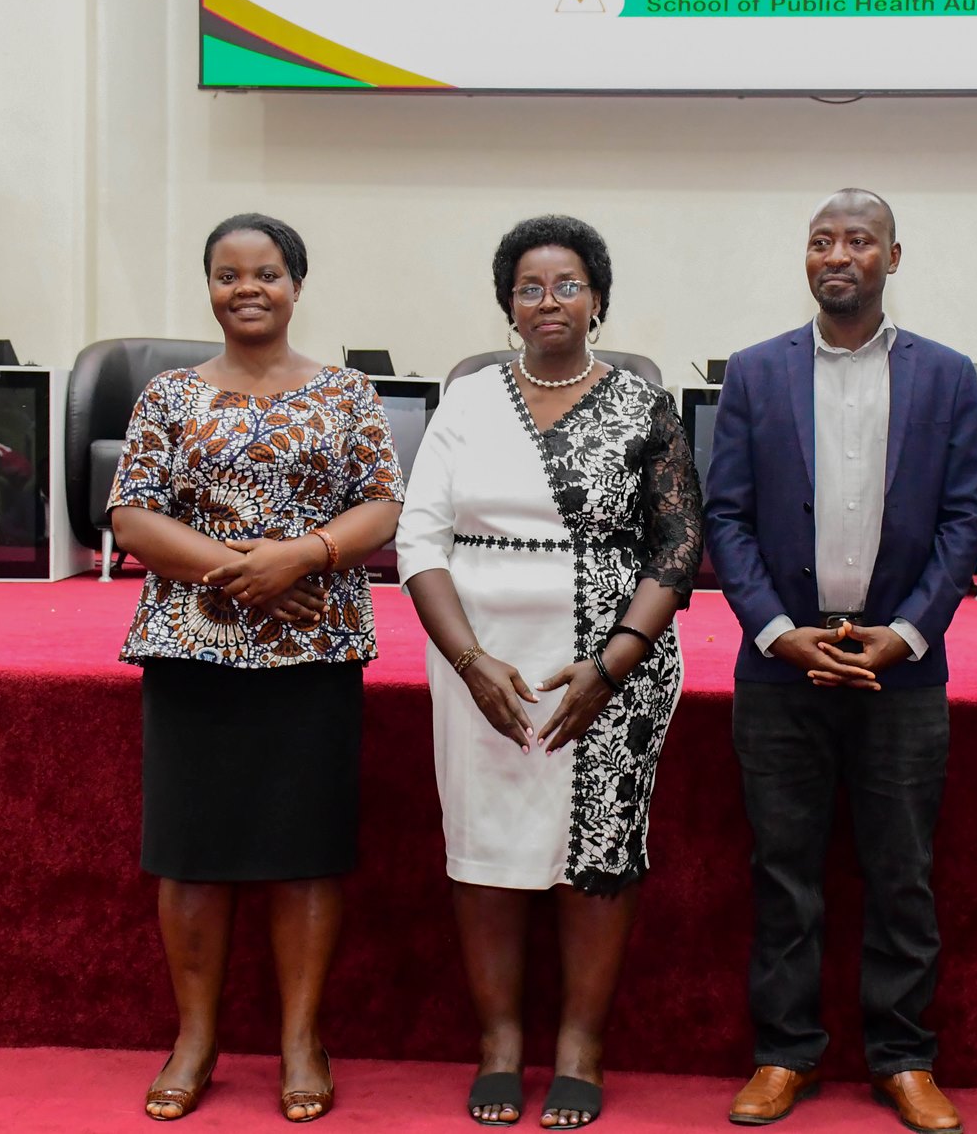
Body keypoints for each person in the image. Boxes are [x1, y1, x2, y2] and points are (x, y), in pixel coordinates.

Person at [395, 215, 702, 1129]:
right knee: (485, 847)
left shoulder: (644, 405)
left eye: (567, 284)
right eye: (530, 287)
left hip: (615, 664)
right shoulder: (469, 401)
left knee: (598, 852)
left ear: (598, 299)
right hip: (479, 663)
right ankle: (498, 1043)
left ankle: (580, 1046)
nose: (549, 301)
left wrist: (611, 666)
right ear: (508, 306)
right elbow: (420, 536)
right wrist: (471, 660)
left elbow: (680, 543)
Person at [704, 189, 977, 1134]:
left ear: (893, 258)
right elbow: (729, 517)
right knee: (784, 869)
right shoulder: (753, 372)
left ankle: (904, 1058)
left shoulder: (950, 377)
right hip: (782, 662)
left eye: (859, 240)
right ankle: (784, 1052)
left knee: (901, 870)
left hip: (899, 664)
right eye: (822, 240)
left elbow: (966, 519)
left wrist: (906, 632)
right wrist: (775, 628)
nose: (838, 254)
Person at [109, 213, 405, 1123]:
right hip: (192, 646)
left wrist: (303, 556)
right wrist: (249, 572)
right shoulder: (165, 396)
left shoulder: (349, 393)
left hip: (312, 651)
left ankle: (300, 1039)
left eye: (267, 272)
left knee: (303, 854)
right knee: (190, 855)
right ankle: (194, 1037)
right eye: (228, 273)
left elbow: (384, 506)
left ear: (297, 283)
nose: (248, 288)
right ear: (208, 285)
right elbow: (130, 516)